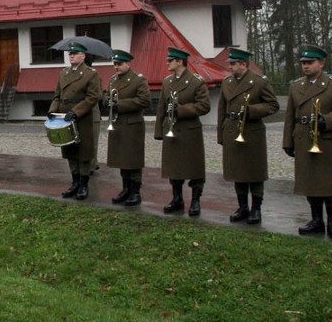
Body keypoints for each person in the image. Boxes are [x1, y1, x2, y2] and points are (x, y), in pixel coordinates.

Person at [283, 45, 332, 240]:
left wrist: (328, 120)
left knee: (329, 183)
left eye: (310, 63)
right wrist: (287, 141)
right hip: (304, 139)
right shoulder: (296, 86)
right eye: (303, 63)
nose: (305, 66)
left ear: (321, 64)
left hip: (325, 140)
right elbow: (290, 116)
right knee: (310, 181)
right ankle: (316, 220)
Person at [217, 48, 280, 224]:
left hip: (252, 132)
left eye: (232, 64)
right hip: (232, 130)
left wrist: (252, 110)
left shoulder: (259, 82)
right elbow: (222, 109)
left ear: (243, 64)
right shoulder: (227, 82)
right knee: (237, 171)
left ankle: (256, 208)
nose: (229, 66)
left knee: (254, 172)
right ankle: (242, 207)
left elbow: (272, 105)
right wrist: (221, 134)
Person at [154, 47, 211, 216]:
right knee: (174, 166)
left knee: (194, 167)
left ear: (180, 62)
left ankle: (195, 200)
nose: (167, 63)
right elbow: (161, 108)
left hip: (189, 131)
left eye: (170, 60)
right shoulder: (167, 82)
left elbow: (204, 106)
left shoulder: (196, 81)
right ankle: (177, 198)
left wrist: (181, 110)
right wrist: (159, 131)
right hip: (171, 130)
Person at [48, 43, 101, 200]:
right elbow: (57, 95)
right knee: (70, 151)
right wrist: (53, 110)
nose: (71, 56)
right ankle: (75, 182)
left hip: (81, 117)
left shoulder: (90, 74)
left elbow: (93, 97)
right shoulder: (63, 73)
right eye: (70, 53)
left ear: (83, 56)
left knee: (83, 152)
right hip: (64, 117)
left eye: (75, 53)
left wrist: (76, 112)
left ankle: (84, 185)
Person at [105, 49, 151, 206]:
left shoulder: (138, 80)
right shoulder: (113, 79)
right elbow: (107, 96)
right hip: (118, 123)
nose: (116, 67)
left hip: (132, 125)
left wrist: (120, 105)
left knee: (133, 160)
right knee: (121, 158)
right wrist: (108, 101)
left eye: (119, 64)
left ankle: (135, 191)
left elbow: (144, 101)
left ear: (128, 64)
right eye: (114, 64)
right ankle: (125, 189)